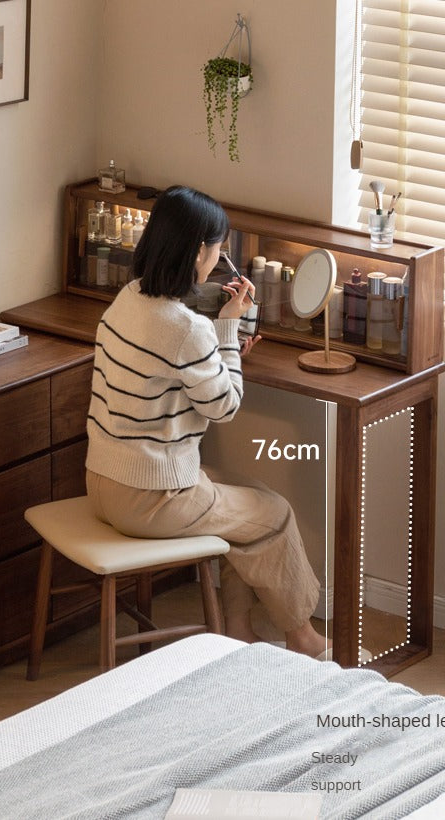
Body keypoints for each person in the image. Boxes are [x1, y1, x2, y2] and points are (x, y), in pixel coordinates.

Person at [85, 185, 329, 658]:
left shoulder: (127, 298)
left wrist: (220, 341)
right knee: (273, 514)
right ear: (200, 251)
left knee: (248, 505)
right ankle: (305, 639)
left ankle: (237, 630)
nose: (220, 257)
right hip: (152, 498)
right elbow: (226, 405)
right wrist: (228, 336)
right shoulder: (186, 329)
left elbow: (174, 366)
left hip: (104, 481)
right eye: (218, 248)